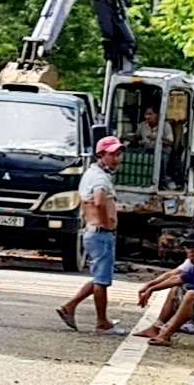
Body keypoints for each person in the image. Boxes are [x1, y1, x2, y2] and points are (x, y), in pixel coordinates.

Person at [56, 134, 125, 332]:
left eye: (118, 154)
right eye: (113, 155)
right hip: (100, 233)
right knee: (102, 281)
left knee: (99, 278)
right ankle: (102, 323)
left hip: (96, 232)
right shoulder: (99, 177)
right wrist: (107, 223)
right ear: (101, 155)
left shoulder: (93, 174)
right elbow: (99, 201)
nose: (117, 158)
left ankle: (69, 307)